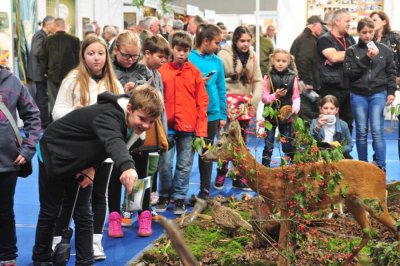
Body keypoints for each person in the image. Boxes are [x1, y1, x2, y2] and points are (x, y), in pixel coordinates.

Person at [32, 87, 163, 265]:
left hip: (80, 160)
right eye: (142, 118)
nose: (146, 125)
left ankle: (85, 261)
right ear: (130, 108)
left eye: (152, 122)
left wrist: (91, 166)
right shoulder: (109, 115)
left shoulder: (137, 134)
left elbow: (101, 146)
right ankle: (41, 258)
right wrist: (128, 167)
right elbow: (113, 141)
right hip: (53, 152)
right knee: (51, 210)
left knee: (84, 212)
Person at [51, 36, 123, 261]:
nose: (96, 58)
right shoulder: (72, 79)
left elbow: (123, 114)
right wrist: (75, 112)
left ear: (106, 55)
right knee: (70, 197)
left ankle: (95, 242)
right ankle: (57, 241)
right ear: (83, 55)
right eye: (91, 53)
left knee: (99, 195)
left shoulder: (113, 82)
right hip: (77, 151)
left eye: (100, 53)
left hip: (104, 151)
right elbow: (56, 112)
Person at [155, 31, 209, 215]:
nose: (182, 54)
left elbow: (202, 101)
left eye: (186, 51)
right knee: (165, 163)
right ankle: (163, 195)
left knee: (185, 164)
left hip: (189, 126)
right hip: (166, 126)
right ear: (172, 48)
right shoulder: (162, 72)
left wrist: (201, 131)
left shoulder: (194, 72)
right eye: (178, 50)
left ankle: (179, 197)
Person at [108, 30, 154, 238]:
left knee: (142, 177)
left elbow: (150, 96)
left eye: (134, 56)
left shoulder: (144, 71)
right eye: (126, 55)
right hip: (114, 132)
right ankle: (115, 217)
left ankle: (144, 215)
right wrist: (120, 91)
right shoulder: (108, 70)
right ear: (116, 50)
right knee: (112, 178)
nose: (130, 60)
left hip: (139, 133)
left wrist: (136, 88)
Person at [343, 17, 396, 173]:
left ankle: (381, 167)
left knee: (377, 130)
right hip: (358, 94)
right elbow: (349, 74)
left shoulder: (385, 50)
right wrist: (367, 58)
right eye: (364, 32)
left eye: (370, 32)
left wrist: (391, 91)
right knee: (361, 131)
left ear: (375, 31)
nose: (367, 35)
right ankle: (363, 166)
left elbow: (390, 72)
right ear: (358, 32)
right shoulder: (352, 51)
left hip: (379, 93)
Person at [0, 65, 41, 266]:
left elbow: (33, 116)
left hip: (7, 163)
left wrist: (27, 149)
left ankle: (8, 254)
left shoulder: (12, 82)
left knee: (4, 210)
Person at [214, 25, 263, 190]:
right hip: (227, 103)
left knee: (241, 142)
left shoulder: (253, 56)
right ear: (235, 40)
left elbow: (257, 80)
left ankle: (238, 175)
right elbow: (217, 81)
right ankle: (221, 172)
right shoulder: (222, 55)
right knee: (225, 140)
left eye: (248, 41)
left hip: (245, 104)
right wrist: (222, 104)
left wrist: (254, 101)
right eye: (242, 41)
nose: (245, 44)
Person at [189, 24, 226, 200]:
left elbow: (221, 89)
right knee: (186, 156)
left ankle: (204, 189)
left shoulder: (217, 62)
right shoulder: (189, 59)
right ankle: (178, 193)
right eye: (216, 43)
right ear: (205, 41)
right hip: (191, 113)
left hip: (211, 114)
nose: (218, 47)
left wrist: (223, 114)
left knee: (207, 152)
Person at [139, 35, 170, 207]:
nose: (163, 61)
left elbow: (161, 107)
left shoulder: (157, 74)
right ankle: (130, 208)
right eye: (160, 57)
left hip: (155, 132)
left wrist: (163, 133)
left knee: (151, 170)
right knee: (138, 172)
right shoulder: (138, 72)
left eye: (166, 57)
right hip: (140, 133)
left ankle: (146, 206)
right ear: (148, 53)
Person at [317, 9, 355, 133]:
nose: (350, 23)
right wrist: (352, 54)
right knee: (329, 121)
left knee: (348, 121)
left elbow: (357, 57)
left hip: (348, 85)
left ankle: (345, 151)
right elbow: (333, 57)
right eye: (347, 21)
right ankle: (328, 150)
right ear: (337, 21)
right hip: (331, 86)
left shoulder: (349, 39)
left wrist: (341, 56)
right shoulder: (325, 39)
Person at [261, 49, 300, 167]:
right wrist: (276, 95)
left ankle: (294, 166)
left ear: (289, 62)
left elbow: (296, 96)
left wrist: (294, 109)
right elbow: (264, 98)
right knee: (268, 144)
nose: (280, 63)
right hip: (270, 116)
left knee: (288, 143)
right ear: (273, 60)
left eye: (284, 61)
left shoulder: (293, 77)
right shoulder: (268, 77)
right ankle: (265, 167)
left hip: (287, 116)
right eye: (278, 60)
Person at [39, 18, 80, 117]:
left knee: (53, 103)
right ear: (64, 26)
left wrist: (45, 72)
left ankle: (54, 125)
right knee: (70, 102)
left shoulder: (48, 40)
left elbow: (42, 57)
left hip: (52, 76)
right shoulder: (74, 40)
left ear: (55, 25)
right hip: (70, 77)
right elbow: (79, 59)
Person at [290, 15, 325, 122]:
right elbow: (303, 61)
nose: (322, 29)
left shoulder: (304, 38)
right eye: (320, 26)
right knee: (308, 117)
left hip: (302, 84)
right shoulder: (308, 39)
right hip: (306, 87)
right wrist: (308, 82)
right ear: (314, 25)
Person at [26, 15, 55, 129]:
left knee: (41, 98)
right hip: (39, 73)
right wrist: (45, 68)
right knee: (41, 99)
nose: (55, 26)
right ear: (47, 25)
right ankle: (44, 124)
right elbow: (36, 52)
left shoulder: (43, 35)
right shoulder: (40, 36)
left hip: (39, 72)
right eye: (54, 24)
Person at [370, 11, 400, 87]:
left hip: (395, 80)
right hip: (378, 82)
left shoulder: (395, 36)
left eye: (375, 20)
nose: (371, 23)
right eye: (370, 21)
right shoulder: (370, 40)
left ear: (384, 22)